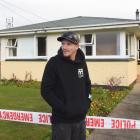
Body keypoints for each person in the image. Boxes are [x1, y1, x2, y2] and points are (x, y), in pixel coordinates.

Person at [41, 31, 92, 140]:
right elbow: (45, 90)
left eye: (68, 44)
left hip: (80, 120)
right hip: (62, 122)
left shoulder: (82, 63)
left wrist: (87, 103)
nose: (64, 47)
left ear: (77, 46)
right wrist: (63, 108)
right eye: (63, 44)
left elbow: (87, 84)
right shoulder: (54, 63)